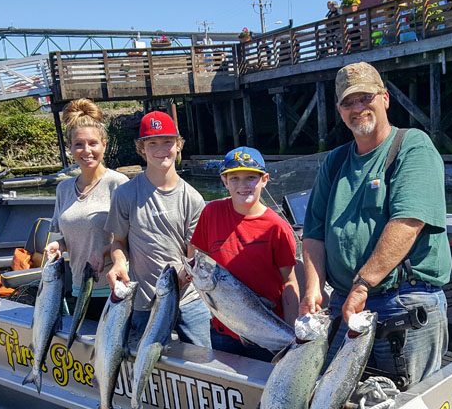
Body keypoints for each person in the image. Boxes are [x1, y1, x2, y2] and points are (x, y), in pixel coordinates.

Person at [299, 61, 451, 387]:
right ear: (339, 111)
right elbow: (312, 233)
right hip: (344, 303)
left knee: (409, 408)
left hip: (404, 300)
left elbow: (408, 222)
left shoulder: (412, 146)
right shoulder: (335, 161)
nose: (358, 108)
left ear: (384, 98)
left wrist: (363, 284)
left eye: (365, 97)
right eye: (348, 102)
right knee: (332, 398)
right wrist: (312, 290)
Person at [104, 110, 212, 348]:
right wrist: (119, 263)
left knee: (204, 366)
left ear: (179, 145)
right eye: (152, 143)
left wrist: (185, 276)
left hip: (189, 300)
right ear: (141, 148)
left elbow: (193, 251)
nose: (161, 149)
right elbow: (119, 241)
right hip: (144, 301)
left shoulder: (192, 198)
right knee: (148, 365)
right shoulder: (125, 194)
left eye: (168, 142)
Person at [190, 147, 299, 361]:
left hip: (266, 331)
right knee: (226, 389)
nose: (243, 185)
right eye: (235, 178)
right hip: (223, 330)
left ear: (264, 179)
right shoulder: (211, 213)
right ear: (224, 181)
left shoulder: (277, 227)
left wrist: (293, 334)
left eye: (251, 178)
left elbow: (290, 281)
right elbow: (197, 256)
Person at [44, 99, 128, 318]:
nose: (86, 150)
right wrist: (58, 245)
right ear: (70, 148)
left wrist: (104, 251)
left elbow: (133, 238)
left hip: (113, 290)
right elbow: (72, 235)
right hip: (78, 288)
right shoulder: (63, 189)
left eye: (93, 143)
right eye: (79, 144)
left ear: (104, 145)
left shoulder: (118, 184)